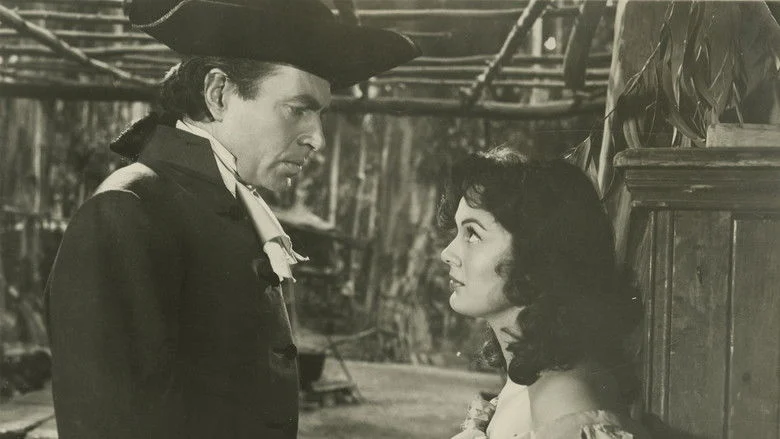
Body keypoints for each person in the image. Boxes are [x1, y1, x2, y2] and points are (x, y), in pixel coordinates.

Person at [44, 1, 420, 439]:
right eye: (298, 109)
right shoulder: (128, 210)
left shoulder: (223, 204)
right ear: (218, 93)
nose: (317, 138)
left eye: (321, 115)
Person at [439, 146, 651, 439]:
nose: (447, 254)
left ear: (538, 256)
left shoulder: (565, 400)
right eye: (457, 232)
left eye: (473, 234)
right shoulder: (526, 384)